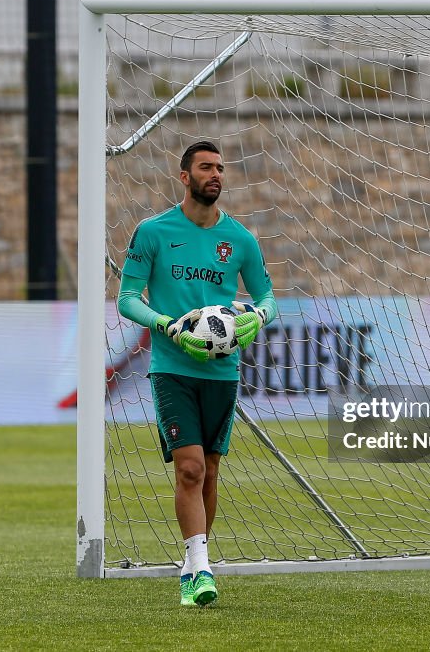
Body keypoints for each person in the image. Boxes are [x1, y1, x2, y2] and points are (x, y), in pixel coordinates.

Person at [117, 140, 277, 607]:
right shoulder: (153, 232)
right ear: (184, 176)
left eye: (221, 168)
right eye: (206, 167)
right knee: (187, 468)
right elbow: (127, 298)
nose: (216, 175)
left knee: (208, 471)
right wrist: (166, 325)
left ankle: (192, 565)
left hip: (223, 372)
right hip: (172, 368)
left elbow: (267, 297)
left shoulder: (241, 241)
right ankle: (200, 572)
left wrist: (257, 319)